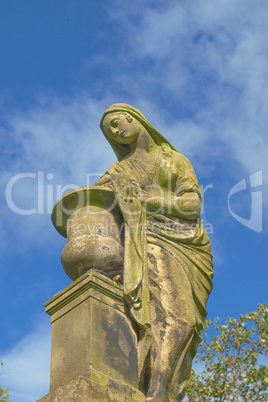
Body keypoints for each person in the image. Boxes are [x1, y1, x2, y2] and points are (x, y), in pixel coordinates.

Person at [94, 103, 213, 401]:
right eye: (110, 131)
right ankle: (156, 390)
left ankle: (165, 388)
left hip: (189, 246)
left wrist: (150, 199)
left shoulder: (173, 160)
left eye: (118, 123)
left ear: (135, 119)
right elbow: (94, 200)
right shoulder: (118, 171)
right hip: (149, 239)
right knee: (166, 317)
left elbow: (193, 205)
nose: (117, 131)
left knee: (185, 321)